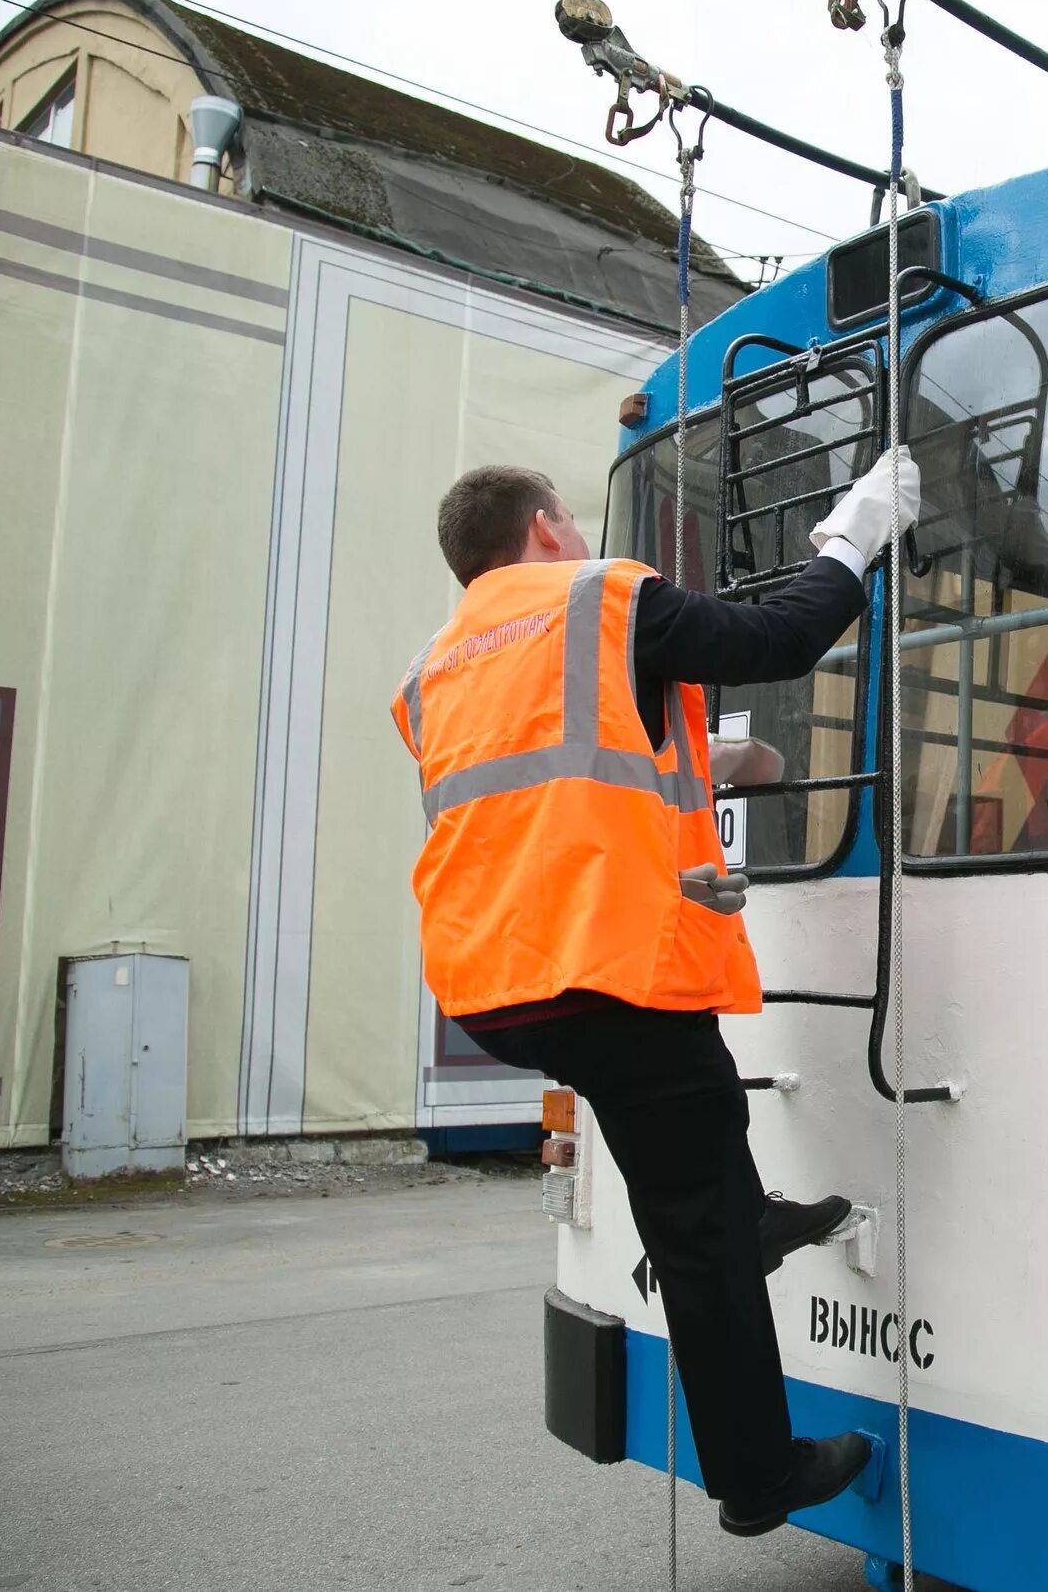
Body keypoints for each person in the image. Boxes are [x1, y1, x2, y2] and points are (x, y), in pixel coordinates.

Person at [391, 457, 917, 1536]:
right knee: (696, 1233)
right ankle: (758, 1475)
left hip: (498, 984)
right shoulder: (597, 598)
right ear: (545, 526)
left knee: (684, 1142)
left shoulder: (435, 666)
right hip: (603, 965)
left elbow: (546, 793)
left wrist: (699, 759)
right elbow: (771, 640)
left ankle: (746, 1208)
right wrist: (851, 537)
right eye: (571, 523)